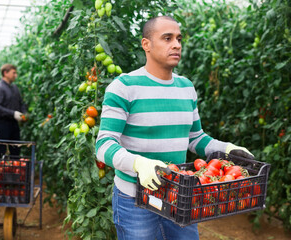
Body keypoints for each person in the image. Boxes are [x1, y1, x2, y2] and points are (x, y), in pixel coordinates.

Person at [95, 16, 254, 240]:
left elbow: (195, 138)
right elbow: (103, 145)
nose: (177, 44)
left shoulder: (186, 87)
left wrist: (226, 148)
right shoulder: (124, 87)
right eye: (167, 38)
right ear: (146, 44)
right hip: (134, 201)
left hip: (180, 198)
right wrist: (138, 163)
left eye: (179, 39)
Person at [0, 64, 27, 168]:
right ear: (5, 73)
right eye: (13, 73)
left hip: (13, 123)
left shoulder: (14, 88)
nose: (15, 75)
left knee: (16, 150)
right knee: (1, 150)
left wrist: (23, 114)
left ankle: (14, 177)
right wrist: (13, 113)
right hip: (2, 123)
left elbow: (21, 103)